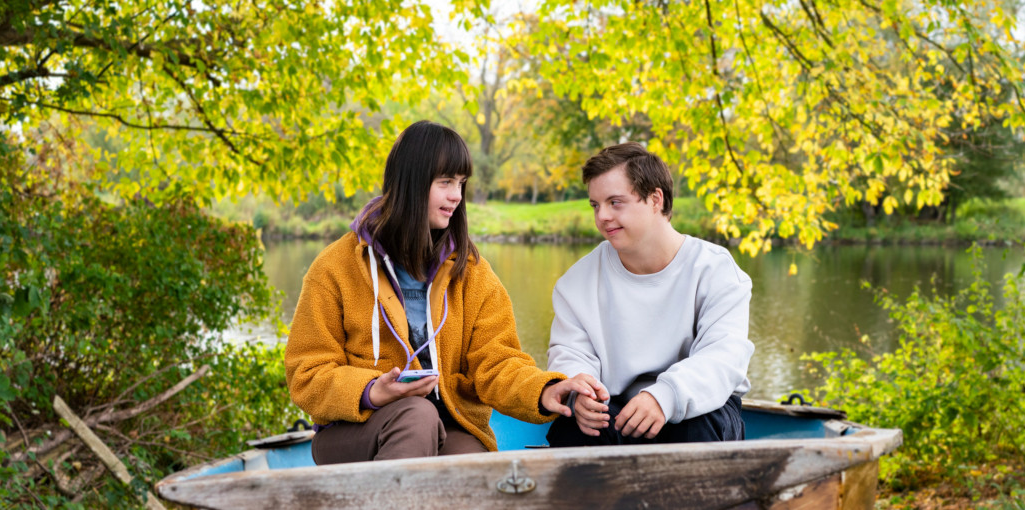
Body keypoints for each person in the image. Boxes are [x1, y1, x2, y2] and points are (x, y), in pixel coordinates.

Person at [285, 120, 604, 464]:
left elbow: (497, 363)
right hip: (353, 431)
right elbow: (307, 374)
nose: (457, 196)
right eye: (446, 182)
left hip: (448, 425)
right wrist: (374, 390)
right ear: (411, 182)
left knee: (469, 460)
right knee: (416, 416)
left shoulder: (472, 272)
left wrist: (545, 390)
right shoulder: (335, 267)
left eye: (462, 183)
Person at [546, 142, 754, 447]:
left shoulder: (715, 270)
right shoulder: (577, 282)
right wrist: (581, 393)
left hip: (698, 408)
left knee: (697, 425)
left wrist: (664, 396)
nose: (602, 216)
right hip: (618, 409)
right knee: (575, 426)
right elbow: (571, 353)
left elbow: (723, 357)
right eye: (595, 205)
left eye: (615, 202)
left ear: (655, 199)